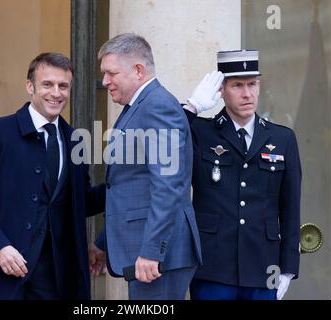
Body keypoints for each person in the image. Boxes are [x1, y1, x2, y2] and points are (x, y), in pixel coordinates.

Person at [0, 52, 105, 300]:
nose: (56, 93)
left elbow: (81, 201)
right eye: (47, 84)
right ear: (30, 86)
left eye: (63, 86)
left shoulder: (75, 141)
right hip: (4, 271)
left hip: (57, 280)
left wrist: (124, 186)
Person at [89, 33, 202, 300]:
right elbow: (129, 186)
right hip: (148, 252)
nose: (105, 82)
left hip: (160, 257)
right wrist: (105, 242)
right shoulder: (138, 106)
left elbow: (168, 187)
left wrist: (152, 251)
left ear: (138, 70)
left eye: (111, 73)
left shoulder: (157, 106)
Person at [184, 49, 301, 300]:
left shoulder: (283, 139)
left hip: (264, 267)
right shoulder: (199, 133)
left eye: (252, 84)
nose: (247, 93)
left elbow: (290, 208)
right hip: (212, 267)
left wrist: (288, 268)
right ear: (221, 90)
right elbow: (163, 150)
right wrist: (190, 109)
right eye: (237, 85)